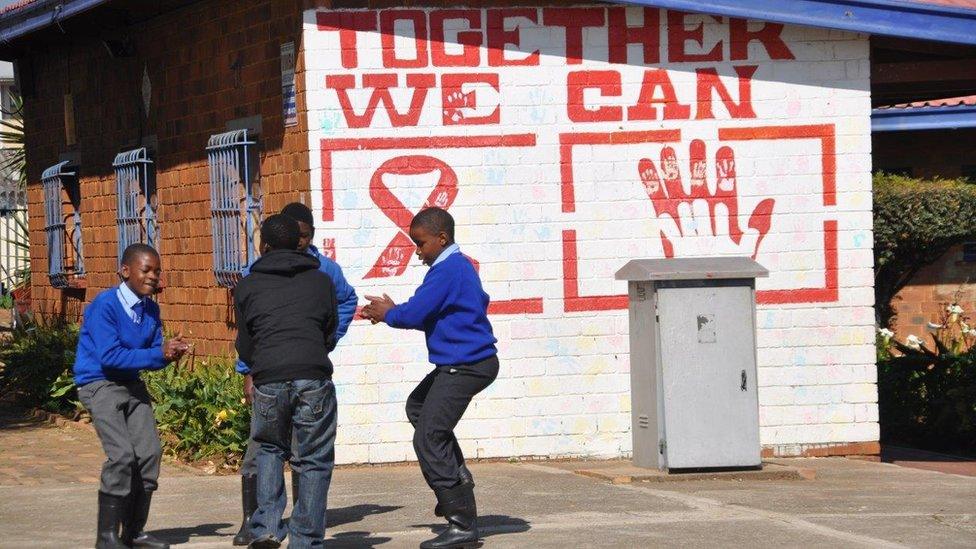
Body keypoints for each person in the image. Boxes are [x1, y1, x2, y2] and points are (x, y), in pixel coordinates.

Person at [362, 207, 499, 549]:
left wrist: (389, 313)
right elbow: (437, 309)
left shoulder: (448, 270)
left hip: (466, 365)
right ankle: (459, 482)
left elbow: (418, 312)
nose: (417, 251)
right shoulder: (456, 266)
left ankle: (461, 521)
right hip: (464, 362)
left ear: (442, 238)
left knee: (428, 437)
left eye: (421, 244)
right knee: (418, 407)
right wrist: (395, 311)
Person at [233, 202, 356, 546]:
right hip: (313, 376)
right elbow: (329, 329)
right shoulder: (322, 280)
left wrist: (259, 365)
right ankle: (305, 540)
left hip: (268, 379)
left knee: (270, 449)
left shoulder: (247, 285)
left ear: (266, 247)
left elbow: (245, 342)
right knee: (314, 460)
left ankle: (268, 527)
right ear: (300, 242)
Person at [73, 243, 189, 549]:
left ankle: (134, 533)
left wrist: (169, 354)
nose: (153, 276)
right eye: (146, 269)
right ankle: (106, 536)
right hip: (100, 383)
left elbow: (149, 352)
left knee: (149, 453)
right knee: (122, 455)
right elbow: (110, 356)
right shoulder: (105, 305)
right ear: (125, 271)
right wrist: (157, 353)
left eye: (157, 271)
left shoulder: (151, 308)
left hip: (131, 384)